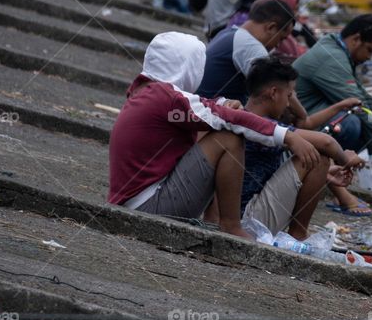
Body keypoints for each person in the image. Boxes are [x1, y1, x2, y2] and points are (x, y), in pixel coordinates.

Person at [108, 31, 319, 240]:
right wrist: (287, 136)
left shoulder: (148, 91)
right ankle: (230, 225)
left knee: (217, 126)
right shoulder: (166, 97)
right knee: (228, 139)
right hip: (148, 205)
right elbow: (227, 119)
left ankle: (217, 219)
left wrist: (224, 105)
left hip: (138, 199)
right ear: (187, 66)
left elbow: (206, 108)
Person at [241, 57, 365, 239]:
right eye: (289, 96)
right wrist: (347, 160)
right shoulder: (262, 124)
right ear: (274, 93)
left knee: (316, 160)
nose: (289, 104)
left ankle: (298, 232)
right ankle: (298, 233)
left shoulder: (244, 116)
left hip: (247, 211)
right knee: (320, 155)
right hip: (249, 220)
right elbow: (326, 143)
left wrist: (325, 174)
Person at [294, 14, 372, 213]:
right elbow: (359, 109)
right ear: (355, 40)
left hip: (311, 118)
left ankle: (333, 177)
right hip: (298, 126)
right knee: (352, 124)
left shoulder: (338, 51)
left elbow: (363, 97)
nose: (370, 57)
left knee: (359, 125)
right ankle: (333, 186)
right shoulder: (332, 57)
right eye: (370, 50)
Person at [196, 0, 296, 103]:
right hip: (212, 113)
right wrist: (304, 116)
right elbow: (277, 91)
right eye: (281, 38)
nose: (278, 45)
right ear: (271, 27)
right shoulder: (251, 45)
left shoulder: (228, 32)